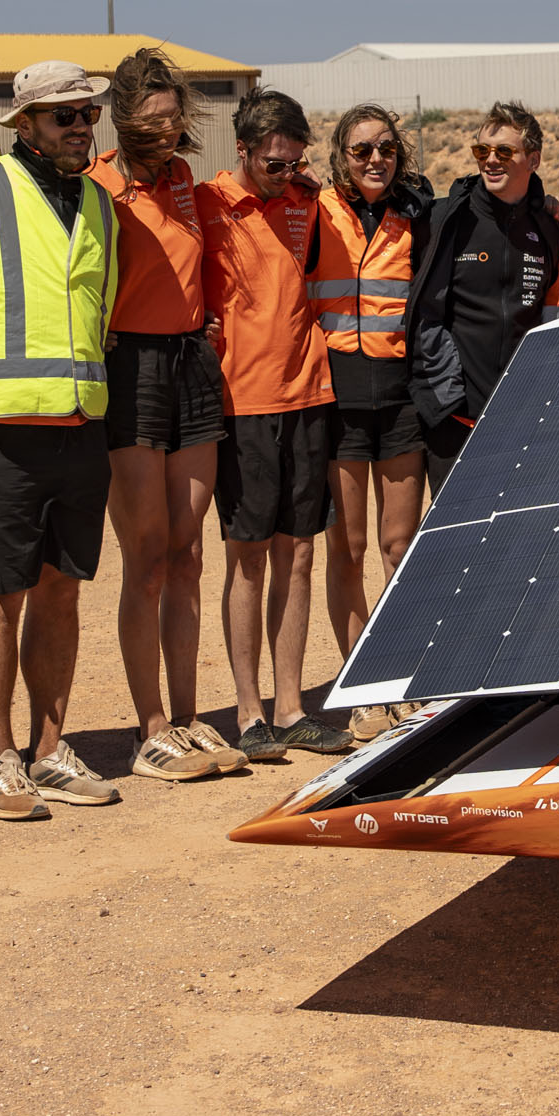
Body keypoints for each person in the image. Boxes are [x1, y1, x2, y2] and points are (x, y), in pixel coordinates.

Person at [0, 61, 130, 819]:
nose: (79, 126)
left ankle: (51, 749)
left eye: (87, 114)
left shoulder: (100, 205)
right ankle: (0, 759)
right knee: (0, 598)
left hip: (82, 426)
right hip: (2, 431)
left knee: (62, 593)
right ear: (23, 125)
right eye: (62, 116)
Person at [86, 49, 247, 785]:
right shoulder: (97, 186)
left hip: (192, 363)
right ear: (122, 120)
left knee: (188, 553)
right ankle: (149, 727)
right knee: (146, 560)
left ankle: (188, 720)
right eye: (149, 121)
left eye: (172, 117)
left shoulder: (185, 181)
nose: (163, 131)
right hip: (131, 367)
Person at [202, 91, 353, 761]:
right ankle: (248, 710)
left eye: (293, 162)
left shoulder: (305, 201)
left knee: (300, 552)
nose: (283, 173)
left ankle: (291, 707)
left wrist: (303, 188)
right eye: (271, 162)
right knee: (248, 557)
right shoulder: (206, 204)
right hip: (243, 403)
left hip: (306, 394)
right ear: (242, 148)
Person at [312, 104, 427, 698]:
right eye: (362, 150)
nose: (375, 159)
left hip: (401, 396)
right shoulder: (314, 210)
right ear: (340, 157)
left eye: (385, 148)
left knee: (400, 546)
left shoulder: (418, 214)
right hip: (339, 396)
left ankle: (401, 670)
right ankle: (362, 684)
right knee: (349, 546)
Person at [408, 102, 559, 494]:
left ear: (533, 159)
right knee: (452, 542)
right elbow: (426, 315)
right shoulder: (449, 221)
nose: (490, 161)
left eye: (504, 151)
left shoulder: (545, 228)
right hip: (457, 422)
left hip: (522, 420)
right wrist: (446, 401)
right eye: (481, 151)